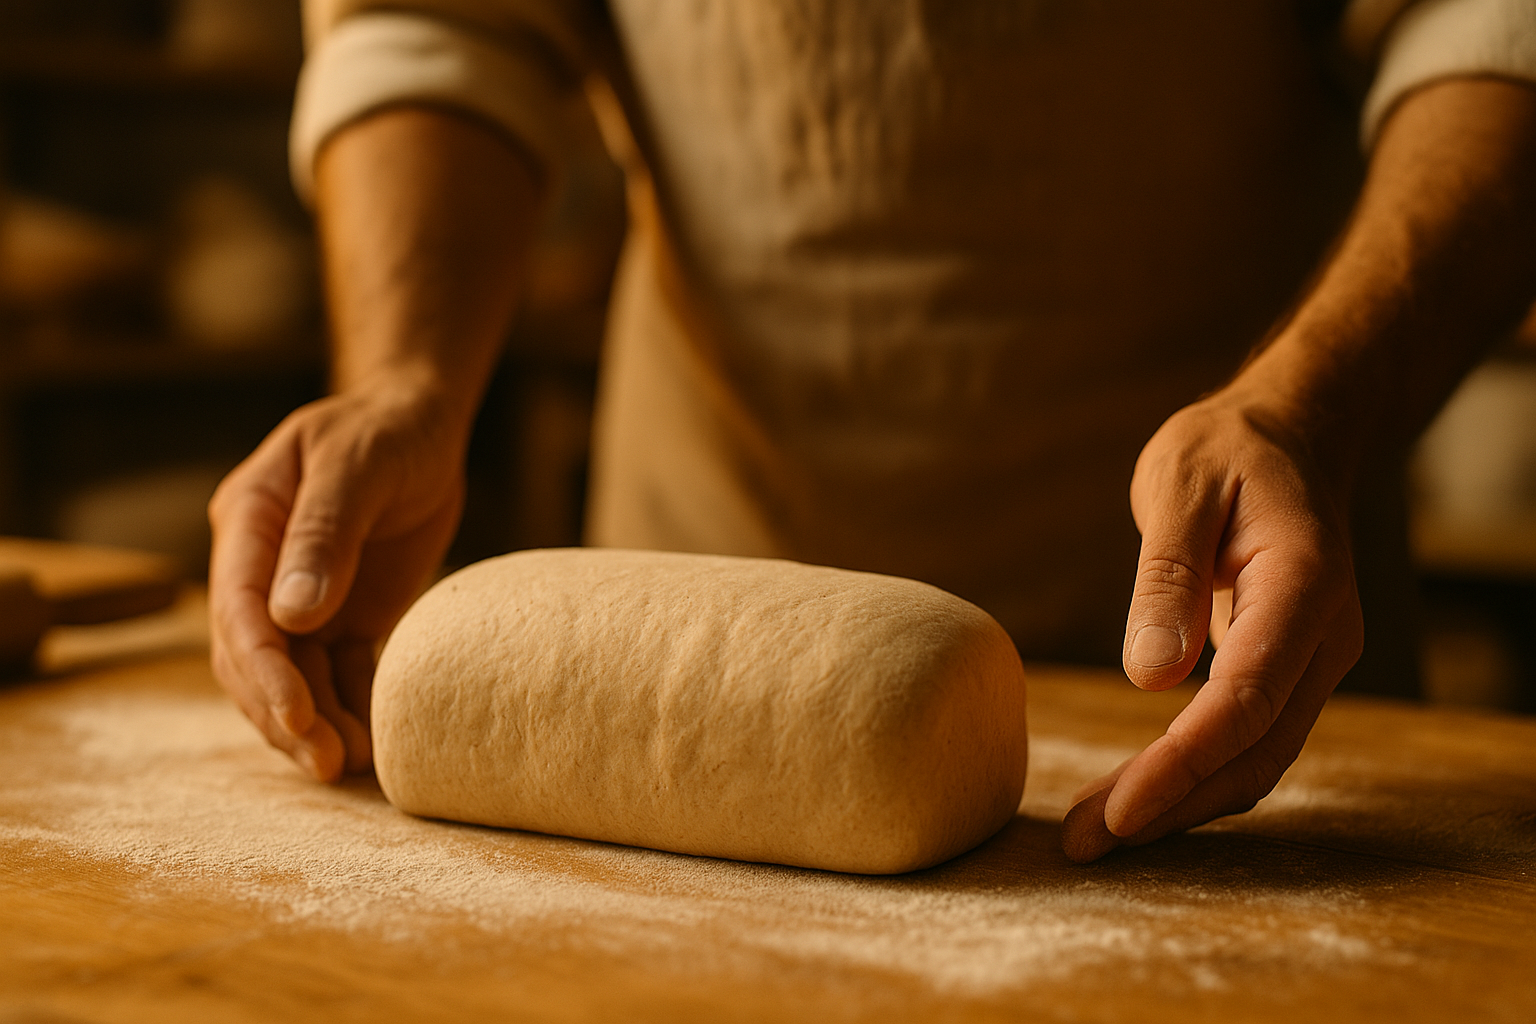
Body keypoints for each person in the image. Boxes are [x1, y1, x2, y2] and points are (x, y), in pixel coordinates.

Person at [209, 0, 1536, 861]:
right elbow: (438, 26)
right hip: (703, 537)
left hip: (1231, 582)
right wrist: (406, 379)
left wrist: (1311, 405)